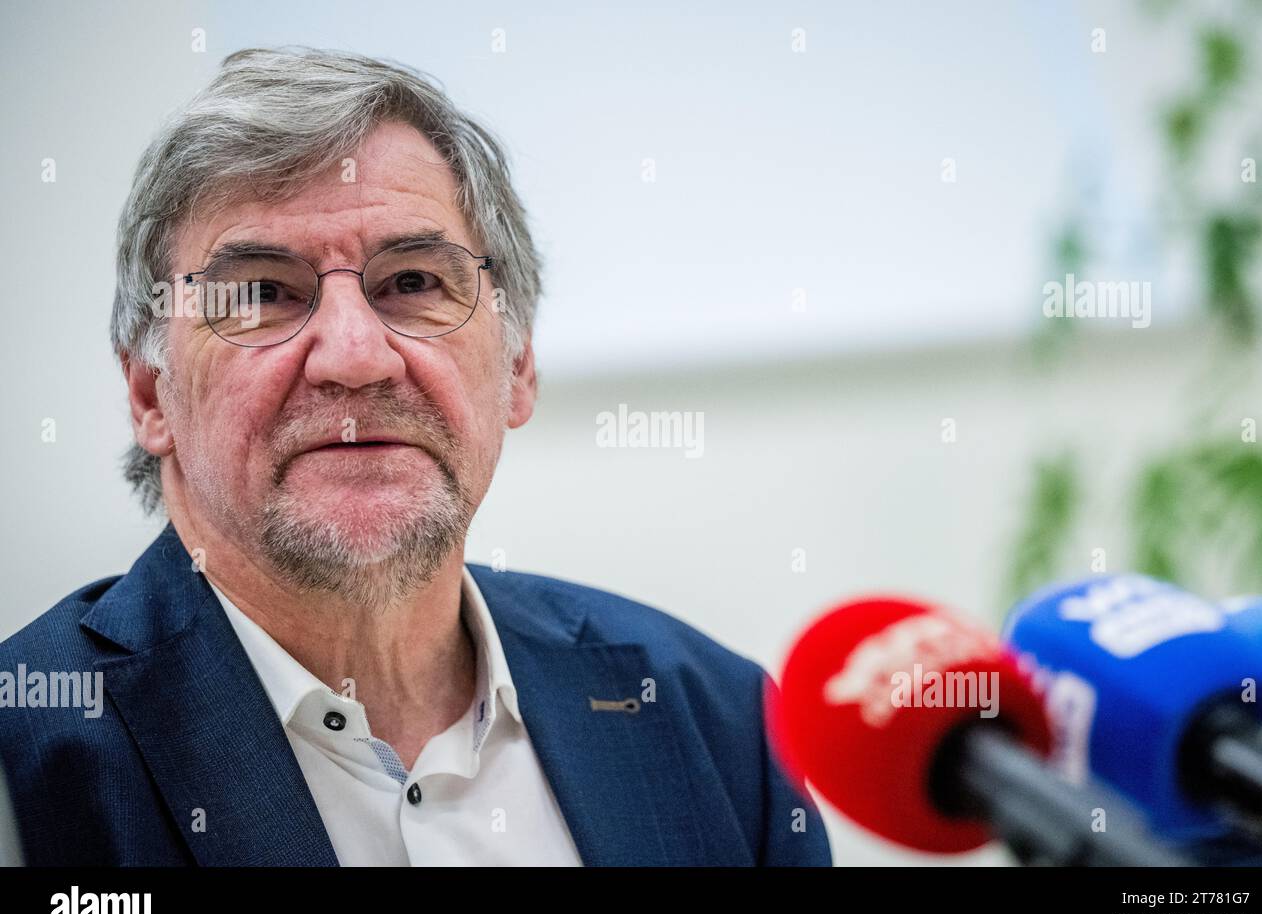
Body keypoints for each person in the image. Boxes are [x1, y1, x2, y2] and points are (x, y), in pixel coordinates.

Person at [0, 47, 830, 866]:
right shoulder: (28, 756)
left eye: (413, 283)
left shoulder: (716, 722)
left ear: (517, 365)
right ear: (151, 394)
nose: (356, 356)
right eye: (260, 293)